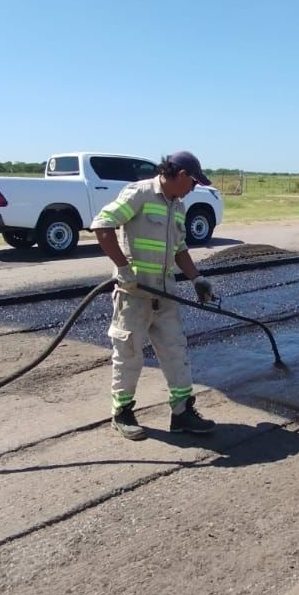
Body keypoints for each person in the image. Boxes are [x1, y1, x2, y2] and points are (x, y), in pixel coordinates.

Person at [92, 151, 218, 440]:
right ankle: (122, 413)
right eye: (194, 182)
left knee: (176, 351)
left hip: (165, 294)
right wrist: (123, 269)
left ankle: (182, 413)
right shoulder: (139, 193)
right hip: (134, 293)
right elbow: (102, 224)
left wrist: (197, 278)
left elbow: (179, 248)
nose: (193, 189)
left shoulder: (178, 206)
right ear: (182, 175)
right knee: (129, 353)